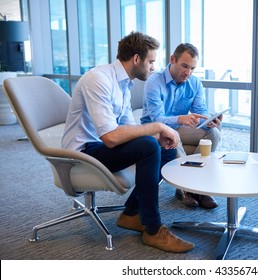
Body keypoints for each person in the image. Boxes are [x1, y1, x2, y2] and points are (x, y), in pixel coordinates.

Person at [61, 32, 194, 253]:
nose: (153, 67)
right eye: (150, 61)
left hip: (100, 147)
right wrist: (157, 127)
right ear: (136, 59)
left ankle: (132, 212)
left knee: (164, 149)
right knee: (149, 147)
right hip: (83, 153)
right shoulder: (99, 79)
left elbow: (128, 129)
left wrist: (157, 136)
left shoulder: (124, 84)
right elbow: (111, 138)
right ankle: (153, 229)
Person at [141, 43, 222, 209]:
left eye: (192, 68)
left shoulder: (194, 83)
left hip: (180, 128)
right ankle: (192, 189)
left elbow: (200, 112)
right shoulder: (154, 82)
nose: (188, 72)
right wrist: (180, 119)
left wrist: (210, 121)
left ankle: (192, 188)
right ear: (173, 60)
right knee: (172, 136)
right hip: (154, 131)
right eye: (185, 66)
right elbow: (157, 119)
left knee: (214, 133)